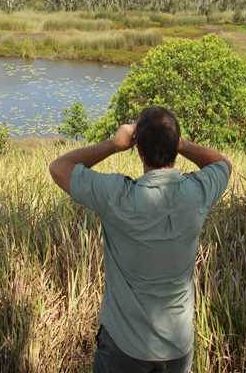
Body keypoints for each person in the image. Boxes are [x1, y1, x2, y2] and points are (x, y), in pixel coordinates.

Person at [49, 106, 231, 373]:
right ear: (174, 147)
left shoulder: (117, 197)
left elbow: (59, 167)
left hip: (125, 345)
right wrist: (180, 143)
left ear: (138, 149)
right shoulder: (197, 194)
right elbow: (222, 164)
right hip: (177, 347)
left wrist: (113, 144)